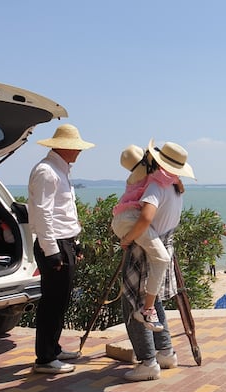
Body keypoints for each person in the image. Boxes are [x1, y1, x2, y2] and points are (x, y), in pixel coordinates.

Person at [120, 139, 195, 381]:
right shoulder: (176, 187)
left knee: (134, 307)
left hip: (144, 254)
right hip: (163, 249)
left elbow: (144, 219)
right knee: (153, 304)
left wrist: (127, 238)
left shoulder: (154, 188)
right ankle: (166, 352)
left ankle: (147, 363)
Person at [28, 124, 95, 374]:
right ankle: (45, 358)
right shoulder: (47, 171)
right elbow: (44, 213)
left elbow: (63, 213)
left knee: (60, 300)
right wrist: (52, 251)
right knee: (53, 301)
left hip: (63, 242)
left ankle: (52, 349)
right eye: (76, 147)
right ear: (64, 147)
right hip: (54, 244)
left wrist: (74, 243)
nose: (79, 152)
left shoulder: (60, 169)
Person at [111, 143, 184, 331]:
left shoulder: (155, 179)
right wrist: (127, 240)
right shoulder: (155, 182)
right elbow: (145, 217)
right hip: (128, 220)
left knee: (159, 261)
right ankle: (147, 309)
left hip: (126, 219)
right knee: (162, 258)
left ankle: (148, 310)